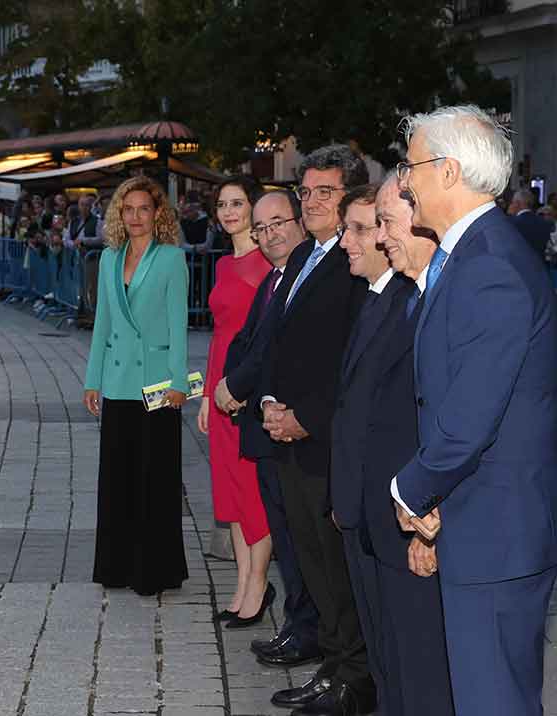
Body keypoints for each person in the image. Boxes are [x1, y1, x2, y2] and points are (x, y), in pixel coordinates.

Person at [392, 105, 557, 716]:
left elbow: (470, 417)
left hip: (499, 532)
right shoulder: (474, 253)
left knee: (493, 701)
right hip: (486, 523)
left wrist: (410, 489)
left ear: (447, 170)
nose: (405, 181)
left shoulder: (489, 263)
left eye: (410, 166)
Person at [254, 145, 374, 715]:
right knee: (309, 560)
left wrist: (304, 417)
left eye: (324, 192)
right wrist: (274, 404)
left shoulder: (355, 264)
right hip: (291, 437)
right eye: (306, 192)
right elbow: (284, 342)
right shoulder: (307, 257)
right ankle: (331, 665)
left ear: (351, 195)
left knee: (336, 567)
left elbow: (351, 360)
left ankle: (351, 677)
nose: (311, 202)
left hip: (326, 441)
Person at [351, 173, 455, 716]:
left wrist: (428, 522)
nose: (380, 237)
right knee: (395, 668)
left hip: (418, 520)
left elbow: (452, 425)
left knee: (424, 675)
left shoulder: (447, 296)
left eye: (386, 223)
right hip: (386, 514)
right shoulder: (405, 296)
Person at [217, 189, 322, 666]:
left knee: (300, 540)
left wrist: (236, 386)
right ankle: (299, 626)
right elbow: (248, 341)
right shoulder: (276, 279)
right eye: (261, 228)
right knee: (288, 537)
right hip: (264, 422)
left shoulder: (306, 273)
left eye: (277, 222)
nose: (269, 234)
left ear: (297, 221)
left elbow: (271, 352)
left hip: (295, 428)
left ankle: (308, 632)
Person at [83, 175, 189, 596]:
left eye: (144, 208)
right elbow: (102, 324)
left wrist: (179, 381)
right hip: (118, 381)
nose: (136, 216)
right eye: (128, 209)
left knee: (156, 479)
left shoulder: (171, 259)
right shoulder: (109, 258)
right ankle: (117, 566)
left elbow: (179, 326)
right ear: (119, 215)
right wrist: (93, 380)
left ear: (157, 213)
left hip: (159, 384)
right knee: (118, 479)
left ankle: (155, 570)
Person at [195, 176, 276, 627]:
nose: (229, 212)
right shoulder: (226, 264)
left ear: (254, 207)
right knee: (229, 493)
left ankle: (259, 585)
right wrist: (208, 395)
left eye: (238, 203)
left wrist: (247, 390)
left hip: (247, 389)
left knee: (252, 493)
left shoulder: (267, 264)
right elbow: (217, 337)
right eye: (222, 204)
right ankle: (243, 582)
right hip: (221, 386)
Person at [507, 188, 552, 257]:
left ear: (518, 203)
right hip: (540, 264)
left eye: (512, 202)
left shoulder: (512, 223)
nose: (511, 205)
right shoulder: (544, 222)